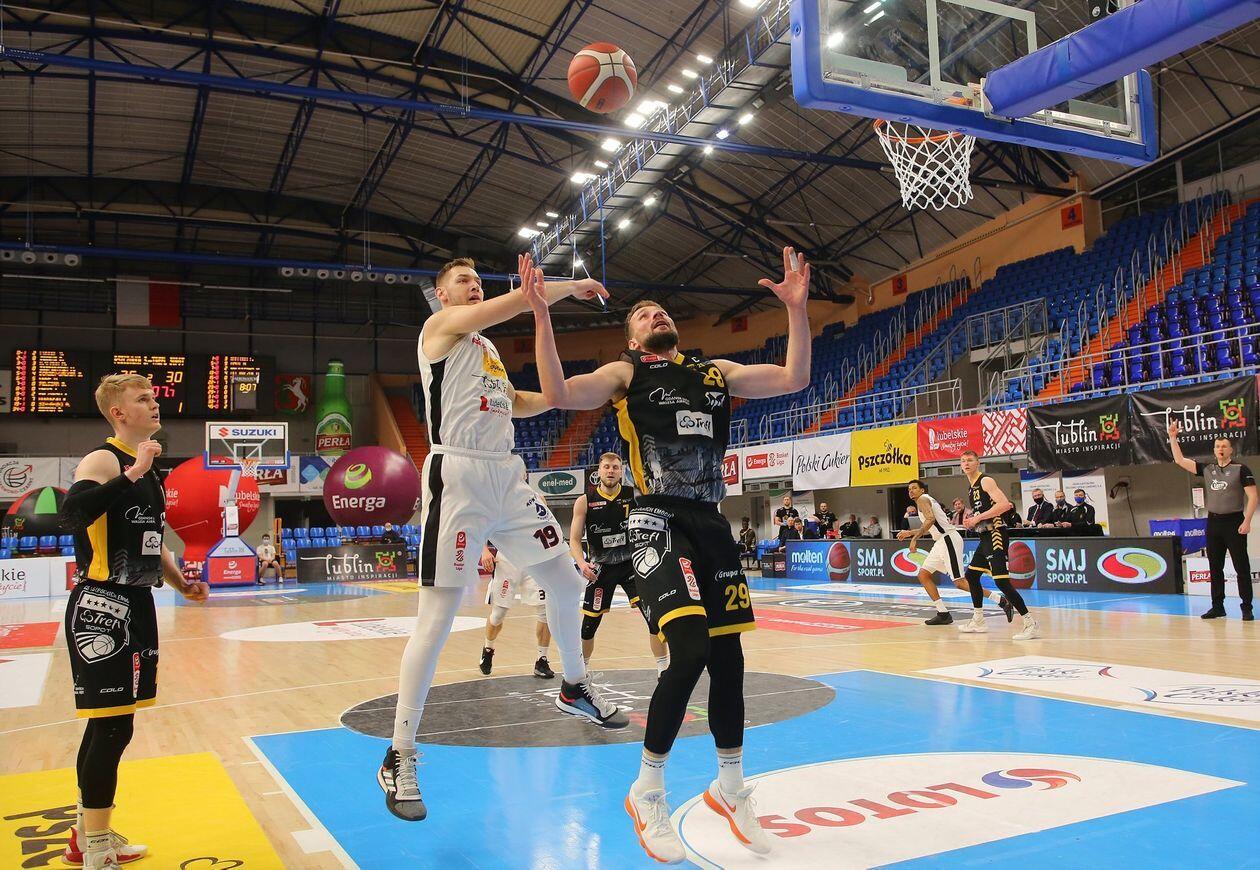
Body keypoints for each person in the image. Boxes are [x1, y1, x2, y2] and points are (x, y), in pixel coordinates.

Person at [525, 244, 811, 863]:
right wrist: (543, 315)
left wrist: (796, 308)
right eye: (642, 314)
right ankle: (647, 788)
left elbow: (795, 378)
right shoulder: (625, 375)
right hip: (655, 519)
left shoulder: (715, 372)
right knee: (689, 651)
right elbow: (557, 391)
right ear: (632, 338)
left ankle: (730, 787)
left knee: (730, 660)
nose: (655, 314)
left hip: (710, 524)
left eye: (661, 310)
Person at [379, 254, 627, 824]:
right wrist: (569, 286)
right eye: (463, 281)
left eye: (477, 281)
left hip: (508, 476)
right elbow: (517, 301)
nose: (474, 287)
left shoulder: (487, 351)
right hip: (458, 475)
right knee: (435, 621)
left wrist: (561, 398)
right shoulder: (440, 329)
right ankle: (400, 752)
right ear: (443, 296)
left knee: (567, 583)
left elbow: (517, 402)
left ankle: (574, 685)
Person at [57, 373, 210, 869]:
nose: (154, 404)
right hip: (102, 605)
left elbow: (152, 541)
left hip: (138, 602)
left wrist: (181, 584)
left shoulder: (149, 472)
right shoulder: (104, 460)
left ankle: (86, 836)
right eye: (142, 399)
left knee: (112, 726)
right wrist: (130, 473)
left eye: (153, 397)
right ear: (118, 413)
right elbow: (71, 514)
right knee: (111, 729)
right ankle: (97, 848)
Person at [571, 453, 669, 675]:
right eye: (606, 467)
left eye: (615, 467)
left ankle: (663, 670)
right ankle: (581, 672)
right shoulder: (585, 500)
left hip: (631, 565)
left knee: (654, 618)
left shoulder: (633, 495)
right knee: (589, 625)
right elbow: (574, 540)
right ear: (599, 470)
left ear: (621, 471)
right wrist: (582, 564)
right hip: (600, 568)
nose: (611, 471)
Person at [1169, 422, 1257, 619]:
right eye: (1217, 446)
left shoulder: (1241, 469)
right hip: (1214, 523)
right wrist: (1173, 437)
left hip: (1234, 522)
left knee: (1241, 567)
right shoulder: (1208, 468)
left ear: (1231, 449)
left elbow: (1253, 497)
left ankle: (1246, 607)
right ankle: (1217, 607)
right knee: (1215, 567)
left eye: (1224, 446)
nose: (1220, 449)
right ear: (1214, 450)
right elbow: (1180, 460)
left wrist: (1247, 521)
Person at [960, 451, 1039, 639]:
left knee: (1001, 581)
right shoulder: (971, 487)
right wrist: (972, 521)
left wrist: (977, 518)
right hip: (984, 536)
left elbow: (1005, 505)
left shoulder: (985, 481)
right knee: (971, 576)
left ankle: (1030, 622)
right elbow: (985, 512)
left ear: (978, 463)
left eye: (970, 460)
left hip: (995, 534)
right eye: (963, 461)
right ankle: (978, 620)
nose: (966, 463)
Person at [478, 543, 554, 678]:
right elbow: (479, 529)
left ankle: (542, 659)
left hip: (535, 557)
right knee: (498, 615)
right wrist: (484, 550)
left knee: (544, 611)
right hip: (507, 557)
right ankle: (488, 649)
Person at [897, 479, 966, 626]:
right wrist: (910, 532)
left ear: (922, 490)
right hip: (940, 541)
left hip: (948, 538)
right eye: (909, 489)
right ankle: (943, 613)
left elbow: (930, 519)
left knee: (960, 583)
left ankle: (1000, 600)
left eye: (914, 488)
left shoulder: (922, 499)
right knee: (923, 575)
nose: (911, 491)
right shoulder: (925, 501)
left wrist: (914, 538)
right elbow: (931, 527)